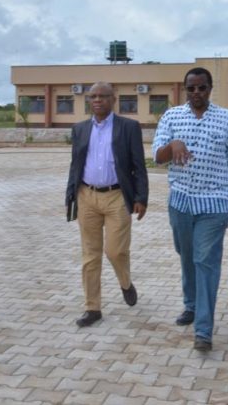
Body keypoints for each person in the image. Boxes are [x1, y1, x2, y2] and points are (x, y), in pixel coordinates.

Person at [153, 67, 228, 352]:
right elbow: (158, 157)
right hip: (181, 203)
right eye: (191, 88)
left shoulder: (226, 119)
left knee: (206, 262)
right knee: (187, 257)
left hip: (214, 204)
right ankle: (191, 305)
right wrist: (173, 145)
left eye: (201, 88)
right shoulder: (172, 117)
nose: (196, 93)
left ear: (210, 89)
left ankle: (204, 330)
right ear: (185, 90)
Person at [66, 82, 148, 327]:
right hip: (86, 195)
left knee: (115, 251)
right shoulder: (79, 129)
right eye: (93, 96)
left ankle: (125, 282)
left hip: (117, 197)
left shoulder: (129, 127)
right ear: (89, 100)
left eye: (103, 96)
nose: (98, 100)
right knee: (90, 256)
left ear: (114, 99)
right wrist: (70, 195)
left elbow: (138, 166)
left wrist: (141, 198)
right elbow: (75, 164)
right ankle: (93, 308)